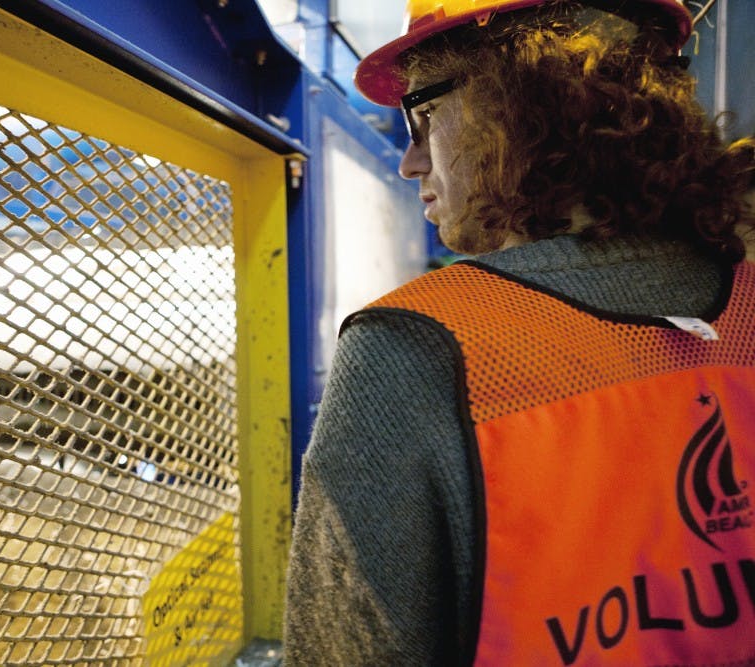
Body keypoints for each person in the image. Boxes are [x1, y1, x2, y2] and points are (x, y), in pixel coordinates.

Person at [284, 0, 755, 665]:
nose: (409, 162)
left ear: (519, 99)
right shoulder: (747, 313)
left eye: (421, 116)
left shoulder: (419, 348)